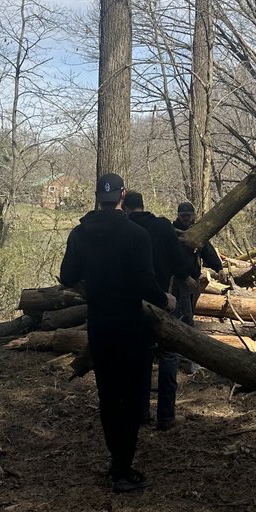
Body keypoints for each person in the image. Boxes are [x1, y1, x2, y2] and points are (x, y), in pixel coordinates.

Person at [60, 174, 175, 493]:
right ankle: (123, 469)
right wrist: (166, 299)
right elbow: (144, 283)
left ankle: (117, 462)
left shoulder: (80, 233)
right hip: (131, 327)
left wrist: (92, 287)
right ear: (123, 195)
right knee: (135, 395)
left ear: (98, 196)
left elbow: (67, 275)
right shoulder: (136, 235)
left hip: (100, 325)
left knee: (109, 396)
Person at [122, 191, 194, 430]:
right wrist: (186, 276)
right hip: (164, 300)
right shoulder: (162, 226)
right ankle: (166, 415)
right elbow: (177, 259)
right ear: (143, 206)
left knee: (138, 356)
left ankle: (140, 412)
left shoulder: (121, 229)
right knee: (168, 354)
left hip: (131, 304)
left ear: (125, 208)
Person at [172, 201, 223, 371]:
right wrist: (184, 276)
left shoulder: (198, 232)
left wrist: (218, 267)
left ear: (193, 215)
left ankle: (180, 356)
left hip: (193, 281)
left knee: (188, 314)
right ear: (178, 216)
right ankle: (184, 359)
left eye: (188, 215)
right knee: (183, 318)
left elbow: (207, 251)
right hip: (177, 282)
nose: (186, 219)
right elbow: (169, 259)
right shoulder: (173, 233)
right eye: (183, 216)